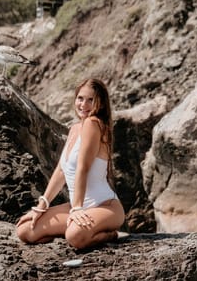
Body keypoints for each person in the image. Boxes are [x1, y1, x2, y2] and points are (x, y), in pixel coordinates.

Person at [16, 78, 125, 249]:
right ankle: (74, 227)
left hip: (105, 206)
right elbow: (61, 170)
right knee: (25, 230)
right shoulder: (75, 128)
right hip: (77, 207)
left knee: (75, 237)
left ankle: (108, 235)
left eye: (91, 100)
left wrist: (77, 208)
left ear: (101, 104)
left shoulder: (93, 123)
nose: (84, 104)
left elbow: (83, 168)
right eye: (80, 98)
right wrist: (42, 205)